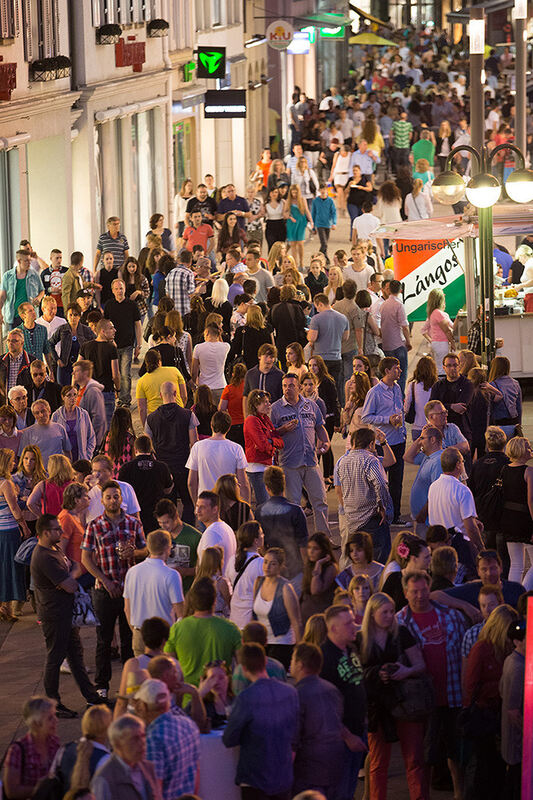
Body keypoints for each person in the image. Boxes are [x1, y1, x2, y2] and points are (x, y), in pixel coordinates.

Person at [397, 570, 467, 800]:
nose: (420, 595)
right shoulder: (399, 623)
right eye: (414, 591)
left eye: (424, 590)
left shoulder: (450, 616)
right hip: (420, 702)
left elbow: (463, 654)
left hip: (452, 694)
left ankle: (459, 794)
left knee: (455, 751)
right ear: (405, 593)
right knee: (422, 755)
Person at [356, 592, 429, 800]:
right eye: (385, 612)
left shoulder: (401, 633)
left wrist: (404, 671)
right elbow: (355, 675)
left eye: (391, 611)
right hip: (377, 706)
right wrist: (376, 674)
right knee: (378, 762)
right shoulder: (361, 639)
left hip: (404, 702)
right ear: (372, 614)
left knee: (414, 759)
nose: (390, 616)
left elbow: (420, 664)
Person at [31, 513, 102, 715]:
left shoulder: (54, 549)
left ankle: (91, 697)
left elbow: (77, 566)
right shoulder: (43, 556)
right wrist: (70, 578)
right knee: (55, 657)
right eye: (56, 529)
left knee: (75, 656)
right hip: (54, 615)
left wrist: (70, 576)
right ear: (45, 532)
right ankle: (53, 704)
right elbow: (71, 585)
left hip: (65, 613)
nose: (61, 532)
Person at [81, 481, 146, 699]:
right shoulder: (94, 525)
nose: (112, 500)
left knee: (129, 639)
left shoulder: (133, 524)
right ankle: (102, 686)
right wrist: (104, 581)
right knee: (104, 639)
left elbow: (145, 549)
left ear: (121, 498)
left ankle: (130, 686)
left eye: (116, 496)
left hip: (129, 589)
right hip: (104, 589)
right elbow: (86, 558)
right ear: (102, 500)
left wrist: (134, 553)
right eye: (108, 497)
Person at [223, 642, 299, 800]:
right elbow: (295, 729)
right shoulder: (290, 692)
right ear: (265, 662)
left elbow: (229, 739)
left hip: (255, 777)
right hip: (283, 773)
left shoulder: (246, 698)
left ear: (243, 669)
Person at [463, 604, 518, 800]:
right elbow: (470, 685)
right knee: (483, 762)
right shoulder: (482, 648)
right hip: (485, 714)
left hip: (500, 713)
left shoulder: (508, 649)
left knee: (497, 763)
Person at [270, 373, 331, 536]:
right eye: (284, 386)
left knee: (320, 501)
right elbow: (269, 434)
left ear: (299, 387)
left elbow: (319, 426)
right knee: (293, 504)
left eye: (291, 385)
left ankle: (324, 539)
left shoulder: (311, 405)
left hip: (311, 460)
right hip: (289, 463)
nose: (287, 389)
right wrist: (282, 430)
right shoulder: (275, 409)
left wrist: (325, 442)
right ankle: (296, 540)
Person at [320, 605, 368, 800]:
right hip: (339, 739)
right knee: (339, 792)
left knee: (348, 790)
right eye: (348, 623)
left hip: (357, 730)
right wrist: (347, 736)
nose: (355, 626)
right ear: (333, 629)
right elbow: (324, 708)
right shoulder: (324, 658)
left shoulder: (351, 649)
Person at [290, 641, 346, 799]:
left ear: (300, 664)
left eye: (293, 659)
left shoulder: (297, 694)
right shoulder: (332, 689)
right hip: (334, 763)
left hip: (308, 769)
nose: (290, 663)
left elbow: (294, 736)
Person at [164, 577, 241, 685]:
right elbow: (242, 666)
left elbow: (170, 666)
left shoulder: (177, 629)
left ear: (191, 600)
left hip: (188, 696)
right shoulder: (230, 629)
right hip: (220, 694)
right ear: (215, 601)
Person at [134, 679, 200, 800]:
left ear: (144, 706)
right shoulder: (188, 724)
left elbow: (155, 789)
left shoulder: (154, 738)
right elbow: (196, 771)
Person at [361, 356, 406, 524]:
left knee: (397, 481)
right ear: (387, 371)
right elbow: (366, 417)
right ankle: (381, 516)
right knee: (381, 482)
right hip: (382, 444)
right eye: (396, 368)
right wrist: (387, 420)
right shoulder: (375, 392)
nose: (400, 371)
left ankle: (396, 515)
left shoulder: (397, 388)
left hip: (398, 440)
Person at [145, 381, 198, 525]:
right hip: (184, 465)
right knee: (188, 502)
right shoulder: (188, 415)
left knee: (168, 505)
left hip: (163, 468)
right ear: (176, 393)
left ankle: (170, 536)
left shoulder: (151, 418)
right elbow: (194, 444)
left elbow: (147, 446)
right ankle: (187, 533)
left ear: (160, 395)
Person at [123, 530, 184, 655]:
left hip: (139, 634)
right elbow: (181, 612)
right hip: (164, 639)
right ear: (167, 548)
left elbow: (127, 609)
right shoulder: (172, 575)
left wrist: (135, 631)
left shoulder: (132, 572)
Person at [428, 447, 484, 563]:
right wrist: (481, 547)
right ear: (458, 464)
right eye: (463, 462)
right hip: (458, 545)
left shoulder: (433, 486)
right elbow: (470, 527)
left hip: (438, 544)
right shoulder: (462, 490)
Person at [252, 547, 302, 670]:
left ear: (280, 567)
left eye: (273, 564)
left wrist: (300, 650)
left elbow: (296, 621)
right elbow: (254, 615)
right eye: (265, 562)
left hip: (281, 643)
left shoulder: (286, 588)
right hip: (262, 642)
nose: (267, 567)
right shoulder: (258, 582)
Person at [90, 715, 161, 800]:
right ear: (117, 744)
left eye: (143, 736)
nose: (142, 743)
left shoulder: (148, 767)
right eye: (134, 739)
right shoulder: (104, 779)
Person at [2, 697, 60, 799]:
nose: (56, 720)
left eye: (54, 715)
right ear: (35, 723)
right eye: (50, 718)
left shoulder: (54, 743)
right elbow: (12, 791)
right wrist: (43, 789)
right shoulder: (18, 750)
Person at [186, 411, 249, 504]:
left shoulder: (198, 447)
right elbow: (243, 483)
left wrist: (197, 504)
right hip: (229, 502)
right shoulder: (236, 449)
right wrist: (246, 506)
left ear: (211, 425)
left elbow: (191, 482)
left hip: (205, 502)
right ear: (228, 428)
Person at [468, 426, 510, 565]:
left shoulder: (477, 464)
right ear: (504, 443)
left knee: (488, 557)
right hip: (502, 515)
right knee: (504, 558)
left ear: (487, 444)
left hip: (484, 515)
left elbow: (471, 490)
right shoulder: (508, 464)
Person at [118, 436, 173, 534]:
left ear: (135, 449)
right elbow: (168, 490)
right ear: (151, 449)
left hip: (134, 513)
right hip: (156, 514)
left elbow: (121, 492)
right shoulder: (162, 467)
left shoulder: (126, 468)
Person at [499, 436, 533, 588]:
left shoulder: (504, 469)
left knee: (516, 564)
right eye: (528, 447)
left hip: (508, 518)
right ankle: (525, 593)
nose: (530, 449)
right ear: (521, 450)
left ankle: (513, 596)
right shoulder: (529, 471)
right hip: (525, 518)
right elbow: (531, 500)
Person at [104, 279, 142, 409]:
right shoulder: (109, 305)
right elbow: (106, 324)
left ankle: (125, 399)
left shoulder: (131, 305)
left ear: (125, 289)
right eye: (116, 289)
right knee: (114, 373)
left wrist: (139, 344)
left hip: (127, 344)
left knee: (125, 373)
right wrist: (109, 340)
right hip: (112, 345)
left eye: (121, 288)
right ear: (113, 290)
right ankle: (116, 396)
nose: (119, 291)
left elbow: (138, 324)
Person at [243, 389, 284, 505]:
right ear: (255, 405)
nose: (268, 404)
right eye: (264, 402)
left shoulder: (265, 419)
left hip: (267, 466)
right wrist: (272, 446)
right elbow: (262, 445)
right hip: (257, 468)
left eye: (268, 401)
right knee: (264, 504)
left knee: (270, 503)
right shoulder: (251, 421)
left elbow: (280, 442)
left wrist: (271, 441)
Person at [500, 617, 526, 800]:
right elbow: (513, 711)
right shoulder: (518, 666)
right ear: (517, 641)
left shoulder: (512, 660)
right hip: (518, 743)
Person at [307, 293, 348, 401]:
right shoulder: (343, 318)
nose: (317, 310)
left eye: (316, 308)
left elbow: (312, 337)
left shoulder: (316, 319)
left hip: (321, 358)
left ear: (320, 304)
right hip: (337, 358)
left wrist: (308, 334)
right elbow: (345, 337)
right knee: (336, 387)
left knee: (322, 388)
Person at [155, 498, 201, 594]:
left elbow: (204, 569)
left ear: (176, 516)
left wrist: (184, 571)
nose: (163, 526)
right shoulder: (158, 536)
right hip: (164, 593)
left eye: (166, 522)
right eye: (160, 523)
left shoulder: (195, 537)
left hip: (187, 592)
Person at [80, 317, 120, 428]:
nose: (115, 330)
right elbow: (115, 374)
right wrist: (118, 388)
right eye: (111, 328)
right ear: (102, 331)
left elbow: (78, 368)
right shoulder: (111, 348)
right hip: (106, 391)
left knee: (88, 427)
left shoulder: (85, 346)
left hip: (88, 392)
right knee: (106, 429)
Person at [225, 521, 265, 630]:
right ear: (256, 541)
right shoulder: (262, 563)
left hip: (234, 618)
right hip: (252, 620)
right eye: (261, 534)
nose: (263, 536)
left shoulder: (232, 560)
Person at [404, 425, 444, 531]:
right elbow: (407, 457)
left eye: (422, 439)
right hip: (421, 519)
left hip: (427, 521)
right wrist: (420, 439)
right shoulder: (427, 456)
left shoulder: (438, 461)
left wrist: (422, 514)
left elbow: (437, 492)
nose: (420, 442)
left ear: (433, 440)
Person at [430, 351, 474, 444]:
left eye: (455, 365)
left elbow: (461, 408)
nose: (452, 368)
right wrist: (452, 407)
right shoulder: (438, 386)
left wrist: (442, 408)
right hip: (442, 432)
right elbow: (432, 407)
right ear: (444, 368)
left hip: (463, 430)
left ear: (459, 366)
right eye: (449, 365)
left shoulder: (467, 384)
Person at [136, 349, 186, 427]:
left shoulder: (142, 381)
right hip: (177, 415)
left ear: (146, 364)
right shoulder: (174, 371)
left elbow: (142, 408)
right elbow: (184, 396)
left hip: (157, 420)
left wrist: (145, 427)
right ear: (159, 361)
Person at [49, 303, 95, 386]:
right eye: (70, 315)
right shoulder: (62, 329)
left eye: (75, 315)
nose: (73, 317)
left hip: (81, 367)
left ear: (79, 316)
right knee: (64, 392)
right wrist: (57, 359)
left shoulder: (86, 330)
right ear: (66, 316)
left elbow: (96, 343)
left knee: (79, 393)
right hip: (65, 366)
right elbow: (50, 344)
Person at [379, 281, 411, 394]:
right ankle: (400, 396)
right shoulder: (399, 305)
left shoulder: (383, 305)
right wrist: (408, 341)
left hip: (386, 344)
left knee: (389, 374)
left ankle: (389, 395)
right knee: (401, 374)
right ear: (400, 290)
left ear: (389, 290)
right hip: (398, 344)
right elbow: (404, 326)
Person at [0, 249, 44, 329]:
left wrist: (39, 298)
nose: (29, 263)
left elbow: (42, 290)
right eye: (26, 261)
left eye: (30, 260)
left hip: (30, 317)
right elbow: (2, 297)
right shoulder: (7, 276)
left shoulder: (35, 275)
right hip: (13, 317)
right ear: (19, 261)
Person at [20, 399, 71, 468]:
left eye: (43, 411)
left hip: (58, 472)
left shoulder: (60, 428)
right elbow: (23, 458)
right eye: (37, 413)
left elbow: (67, 452)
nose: (41, 415)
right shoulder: (28, 433)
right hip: (38, 473)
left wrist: (69, 469)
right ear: (34, 415)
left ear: (49, 411)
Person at [301, 533, 338, 625]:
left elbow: (315, 590)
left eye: (315, 548)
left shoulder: (331, 568)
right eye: (309, 547)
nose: (311, 551)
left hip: (323, 614)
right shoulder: (309, 565)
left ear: (324, 550)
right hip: (307, 613)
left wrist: (318, 566)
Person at [190, 323, 230, 406]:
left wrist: (193, 386)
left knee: (203, 415)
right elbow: (221, 342)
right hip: (221, 385)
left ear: (207, 332)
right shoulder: (226, 347)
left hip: (204, 387)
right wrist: (219, 334)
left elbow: (194, 371)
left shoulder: (198, 348)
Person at [71, 360, 107, 448]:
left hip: (90, 442)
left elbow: (99, 418)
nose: (73, 373)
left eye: (76, 371)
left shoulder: (93, 391)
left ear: (85, 373)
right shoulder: (81, 390)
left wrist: (93, 442)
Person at [420, 289, 455, 375]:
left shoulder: (434, 313)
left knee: (440, 366)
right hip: (441, 343)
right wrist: (453, 342)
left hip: (438, 343)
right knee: (442, 367)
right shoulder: (438, 313)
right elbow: (447, 330)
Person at [488, 355, 522, 439]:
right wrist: (518, 424)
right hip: (513, 424)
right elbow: (519, 407)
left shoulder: (491, 385)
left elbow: (489, 409)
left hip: (498, 425)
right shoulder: (515, 383)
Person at [102, 407, 135, 477]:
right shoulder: (130, 439)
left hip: (110, 476)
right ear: (128, 421)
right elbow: (134, 460)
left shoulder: (108, 437)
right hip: (126, 476)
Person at [0, 327, 34, 393]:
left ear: (22, 343)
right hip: (5, 401)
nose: (10, 343)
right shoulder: (1, 361)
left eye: (14, 341)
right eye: (8, 340)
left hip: (23, 400)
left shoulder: (31, 361)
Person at [311, 183, 337, 261]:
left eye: (324, 189)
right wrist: (313, 227)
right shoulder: (316, 201)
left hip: (328, 224)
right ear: (319, 190)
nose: (323, 191)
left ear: (327, 190)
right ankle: (323, 258)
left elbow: (333, 212)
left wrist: (334, 223)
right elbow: (313, 213)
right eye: (321, 189)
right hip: (319, 224)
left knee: (325, 244)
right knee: (324, 243)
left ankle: (321, 257)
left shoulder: (330, 201)